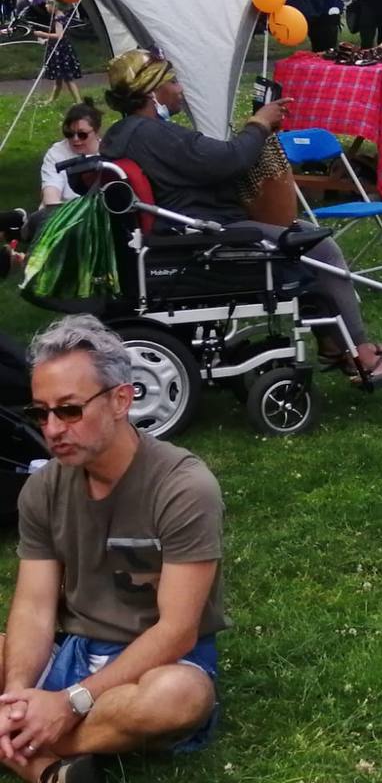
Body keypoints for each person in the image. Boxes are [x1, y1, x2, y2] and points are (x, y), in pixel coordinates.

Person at [97, 49, 382, 384]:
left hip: (181, 233)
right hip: (204, 239)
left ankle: (334, 343)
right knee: (320, 251)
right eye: (173, 82)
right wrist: (260, 124)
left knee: (305, 234)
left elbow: (206, 163)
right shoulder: (154, 135)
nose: (180, 89)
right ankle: (361, 354)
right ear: (152, 92)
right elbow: (228, 160)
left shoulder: (124, 134)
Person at [0, 315, 226, 783]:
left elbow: (179, 631)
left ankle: (30, 744)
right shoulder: (41, 490)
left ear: (121, 399)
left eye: (69, 410)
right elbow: (34, 608)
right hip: (73, 651)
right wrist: (19, 693)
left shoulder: (183, 487)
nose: (53, 429)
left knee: (179, 695)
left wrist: (69, 703)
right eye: (41, 413)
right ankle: (49, 769)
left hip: (158, 665)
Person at [39, 100, 102, 208]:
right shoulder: (56, 153)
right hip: (62, 212)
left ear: (96, 131)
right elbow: (51, 195)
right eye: (69, 134)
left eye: (82, 134)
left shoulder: (109, 153)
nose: (75, 139)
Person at [33, 0, 81, 107]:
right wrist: (46, 41)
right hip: (61, 49)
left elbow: (59, 36)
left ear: (54, 5)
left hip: (61, 51)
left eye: (47, 4)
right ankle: (51, 99)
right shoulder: (61, 16)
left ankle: (79, 101)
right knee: (59, 78)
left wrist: (42, 34)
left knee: (67, 78)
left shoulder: (58, 18)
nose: (45, 6)